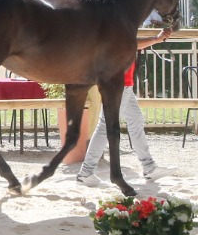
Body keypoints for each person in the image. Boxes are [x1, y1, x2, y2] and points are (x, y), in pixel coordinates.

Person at [74, 24, 177, 187]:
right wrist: (157, 39)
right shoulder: (116, 22)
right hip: (118, 83)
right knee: (105, 126)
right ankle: (86, 172)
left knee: (136, 121)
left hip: (123, 83)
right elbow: (129, 45)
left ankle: (149, 167)